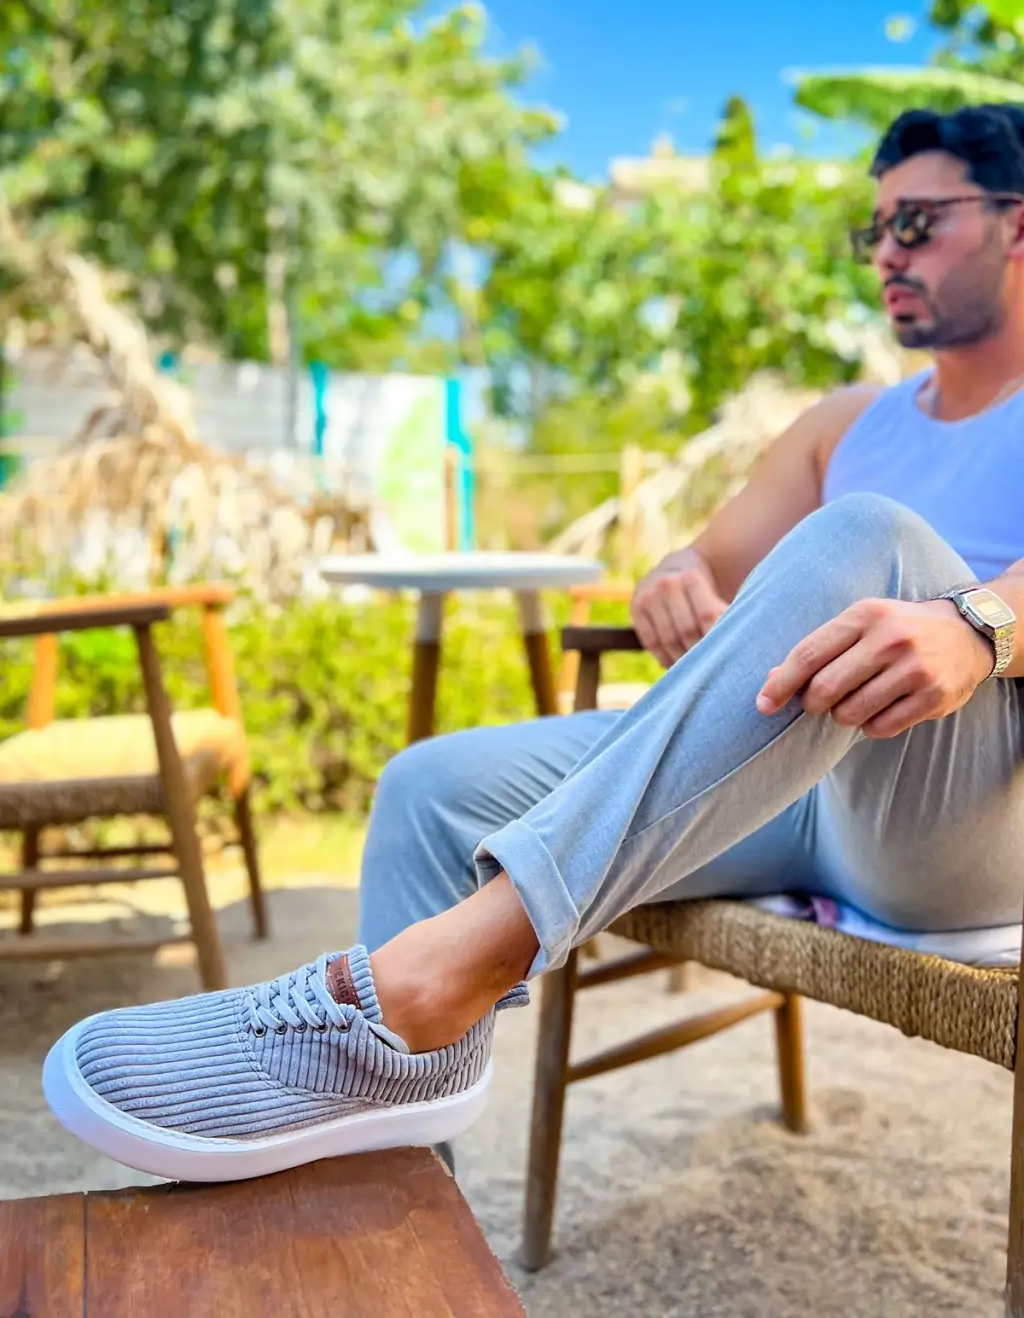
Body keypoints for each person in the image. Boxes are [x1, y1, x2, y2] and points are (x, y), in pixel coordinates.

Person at [42, 105, 1024, 1184]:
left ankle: (422, 983)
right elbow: (705, 560)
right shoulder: (847, 421)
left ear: (1015, 224)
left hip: (958, 809)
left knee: (867, 537)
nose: (885, 253)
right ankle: (388, 1194)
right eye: (874, 229)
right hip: (792, 788)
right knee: (429, 789)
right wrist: (676, 579)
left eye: (917, 223)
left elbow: (891, 572)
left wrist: (980, 624)